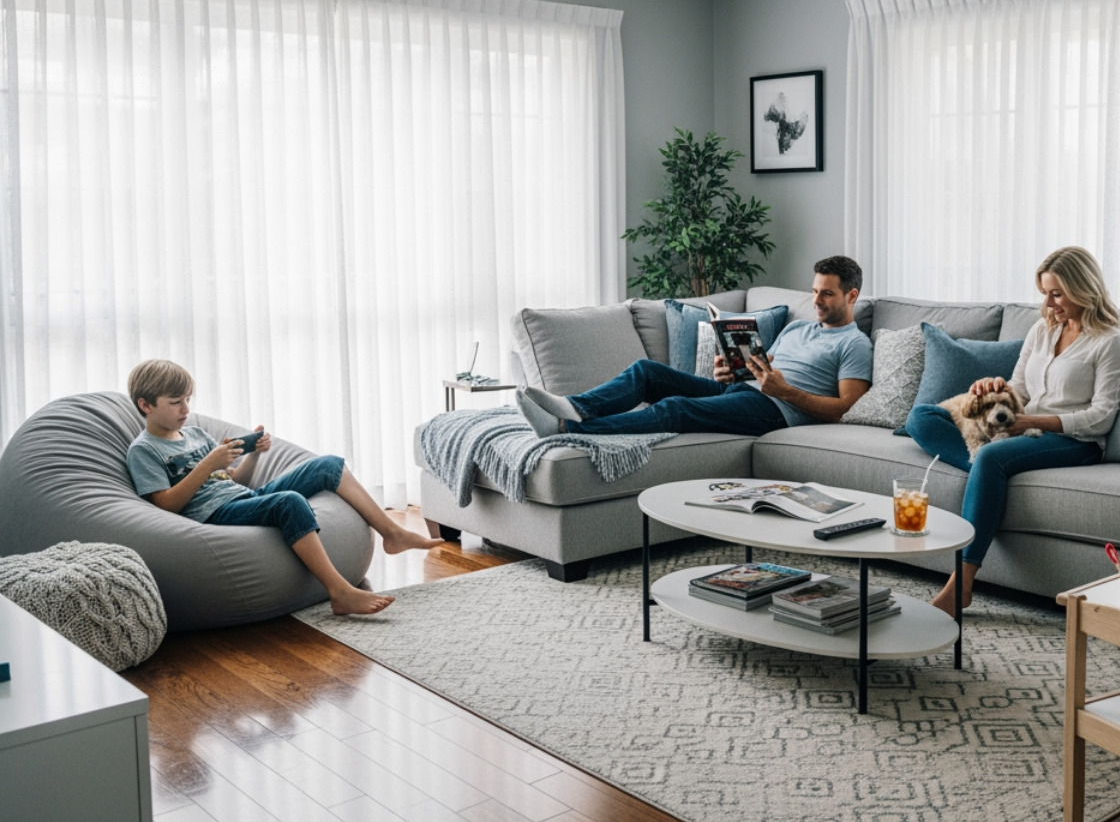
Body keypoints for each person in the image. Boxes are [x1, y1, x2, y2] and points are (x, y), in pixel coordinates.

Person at [906, 246, 1120, 618]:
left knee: (992, 456)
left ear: (1082, 288)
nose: (1048, 302)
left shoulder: (1110, 342)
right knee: (922, 417)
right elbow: (1020, 390)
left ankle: (960, 584)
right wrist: (997, 389)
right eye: (1045, 292)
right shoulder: (1042, 330)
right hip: (1021, 432)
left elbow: (1102, 416)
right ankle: (987, 473)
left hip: (1075, 441)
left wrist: (1032, 423)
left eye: (1056, 293)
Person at [124, 360, 443, 616]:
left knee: (328, 464)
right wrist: (208, 463)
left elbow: (236, 481)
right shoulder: (144, 451)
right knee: (288, 502)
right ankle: (339, 591)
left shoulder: (194, 435)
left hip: (240, 497)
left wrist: (252, 454)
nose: (186, 409)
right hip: (213, 514)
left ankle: (391, 532)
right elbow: (165, 505)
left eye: (188, 400)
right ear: (146, 405)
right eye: (176, 402)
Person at [516, 255, 873, 438]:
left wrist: (788, 392)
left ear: (851, 295)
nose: (816, 300)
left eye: (826, 293)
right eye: (814, 291)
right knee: (647, 372)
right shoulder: (798, 328)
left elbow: (845, 409)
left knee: (676, 408)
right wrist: (733, 371)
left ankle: (566, 430)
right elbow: (764, 368)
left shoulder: (854, 344)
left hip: (776, 411)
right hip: (745, 393)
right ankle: (574, 406)